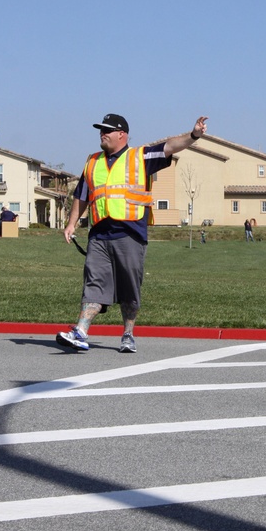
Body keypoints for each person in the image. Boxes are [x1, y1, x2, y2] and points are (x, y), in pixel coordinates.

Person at [56, 112, 208, 354]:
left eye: (107, 130)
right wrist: (72, 223)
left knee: (130, 289)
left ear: (121, 134)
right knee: (93, 283)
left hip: (130, 234)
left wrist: (193, 135)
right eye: (100, 130)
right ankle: (81, 331)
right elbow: (81, 196)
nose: (102, 134)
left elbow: (169, 147)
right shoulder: (92, 162)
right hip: (98, 235)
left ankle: (128, 334)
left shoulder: (140, 156)